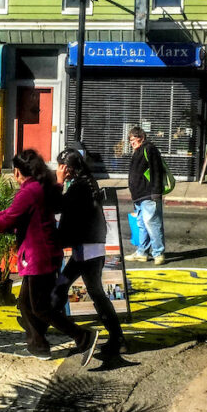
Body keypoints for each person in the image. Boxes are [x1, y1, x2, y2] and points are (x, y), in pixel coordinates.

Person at [0, 149, 99, 366]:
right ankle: (38, 345)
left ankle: (82, 337)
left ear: (17, 172)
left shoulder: (29, 192)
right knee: (26, 305)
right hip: (43, 254)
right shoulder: (40, 186)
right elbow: (11, 213)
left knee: (40, 308)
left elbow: (7, 221)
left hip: (38, 257)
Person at [53, 147, 126, 356]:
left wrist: (59, 182)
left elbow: (58, 206)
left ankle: (117, 338)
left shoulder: (79, 187)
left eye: (60, 166)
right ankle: (51, 324)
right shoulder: (86, 182)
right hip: (87, 247)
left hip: (88, 249)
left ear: (68, 168)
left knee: (94, 293)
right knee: (62, 286)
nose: (58, 169)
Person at [125, 126, 167, 265]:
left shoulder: (149, 149)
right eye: (130, 140)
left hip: (148, 194)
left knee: (152, 223)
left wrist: (156, 192)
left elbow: (157, 171)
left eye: (133, 139)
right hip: (139, 195)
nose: (131, 143)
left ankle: (158, 253)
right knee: (142, 224)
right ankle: (142, 252)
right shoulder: (138, 151)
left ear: (141, 138)